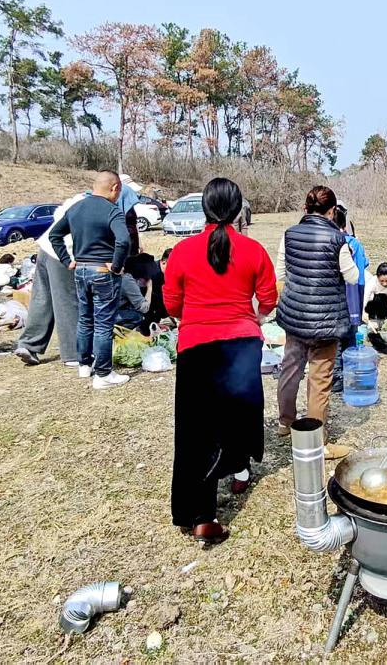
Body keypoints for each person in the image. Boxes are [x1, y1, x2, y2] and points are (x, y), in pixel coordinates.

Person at [162, 178, 277, 544]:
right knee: (240, 414)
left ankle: (201, 516)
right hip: (242, 345)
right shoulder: (253, 249)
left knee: (196, 432)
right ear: (239, 208)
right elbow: (269, 298)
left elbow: (172, 305)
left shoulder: (182, 251)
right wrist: (253, 319)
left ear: (204, 209)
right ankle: (239, 471)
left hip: (197, 347)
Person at [274, 185, 358, 460]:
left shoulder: (289, 235)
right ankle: (317, 442)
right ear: (332, 211)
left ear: (305, 208)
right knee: (319, 381)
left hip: (295, 317)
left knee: (290, 370)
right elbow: (353, 277)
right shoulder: (337, 239)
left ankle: (285, 422)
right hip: (325, 322)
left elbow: (281, 272)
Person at [50, 170, 132, 390]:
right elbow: (124, 241)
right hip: (103, 272)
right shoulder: (112, 211)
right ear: (115, 188)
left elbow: (54, 235)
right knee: (104, 324)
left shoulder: (75, 208)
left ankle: (84, 364)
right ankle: (103, 374)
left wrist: (67, 259)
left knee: (85, 319)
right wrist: (116, 266)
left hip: (81, 270)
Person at [14, 191, 85, 367]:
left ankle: (29, 345)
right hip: (64, 253)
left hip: (45, 248)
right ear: (115, 189)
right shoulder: (102, 204)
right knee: (67, 301)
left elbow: (58, 213)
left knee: (41, 299)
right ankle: (73, 354)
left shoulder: (80, 198)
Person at [331, 204, 368, 395]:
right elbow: (366, 264)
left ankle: (337, 377)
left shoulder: (331, 241)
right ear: (345, 224)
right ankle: (351, 373)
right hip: (356, 295)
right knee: (351, 334)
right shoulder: (355, 243)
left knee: (336, 338)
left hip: (337, 298)